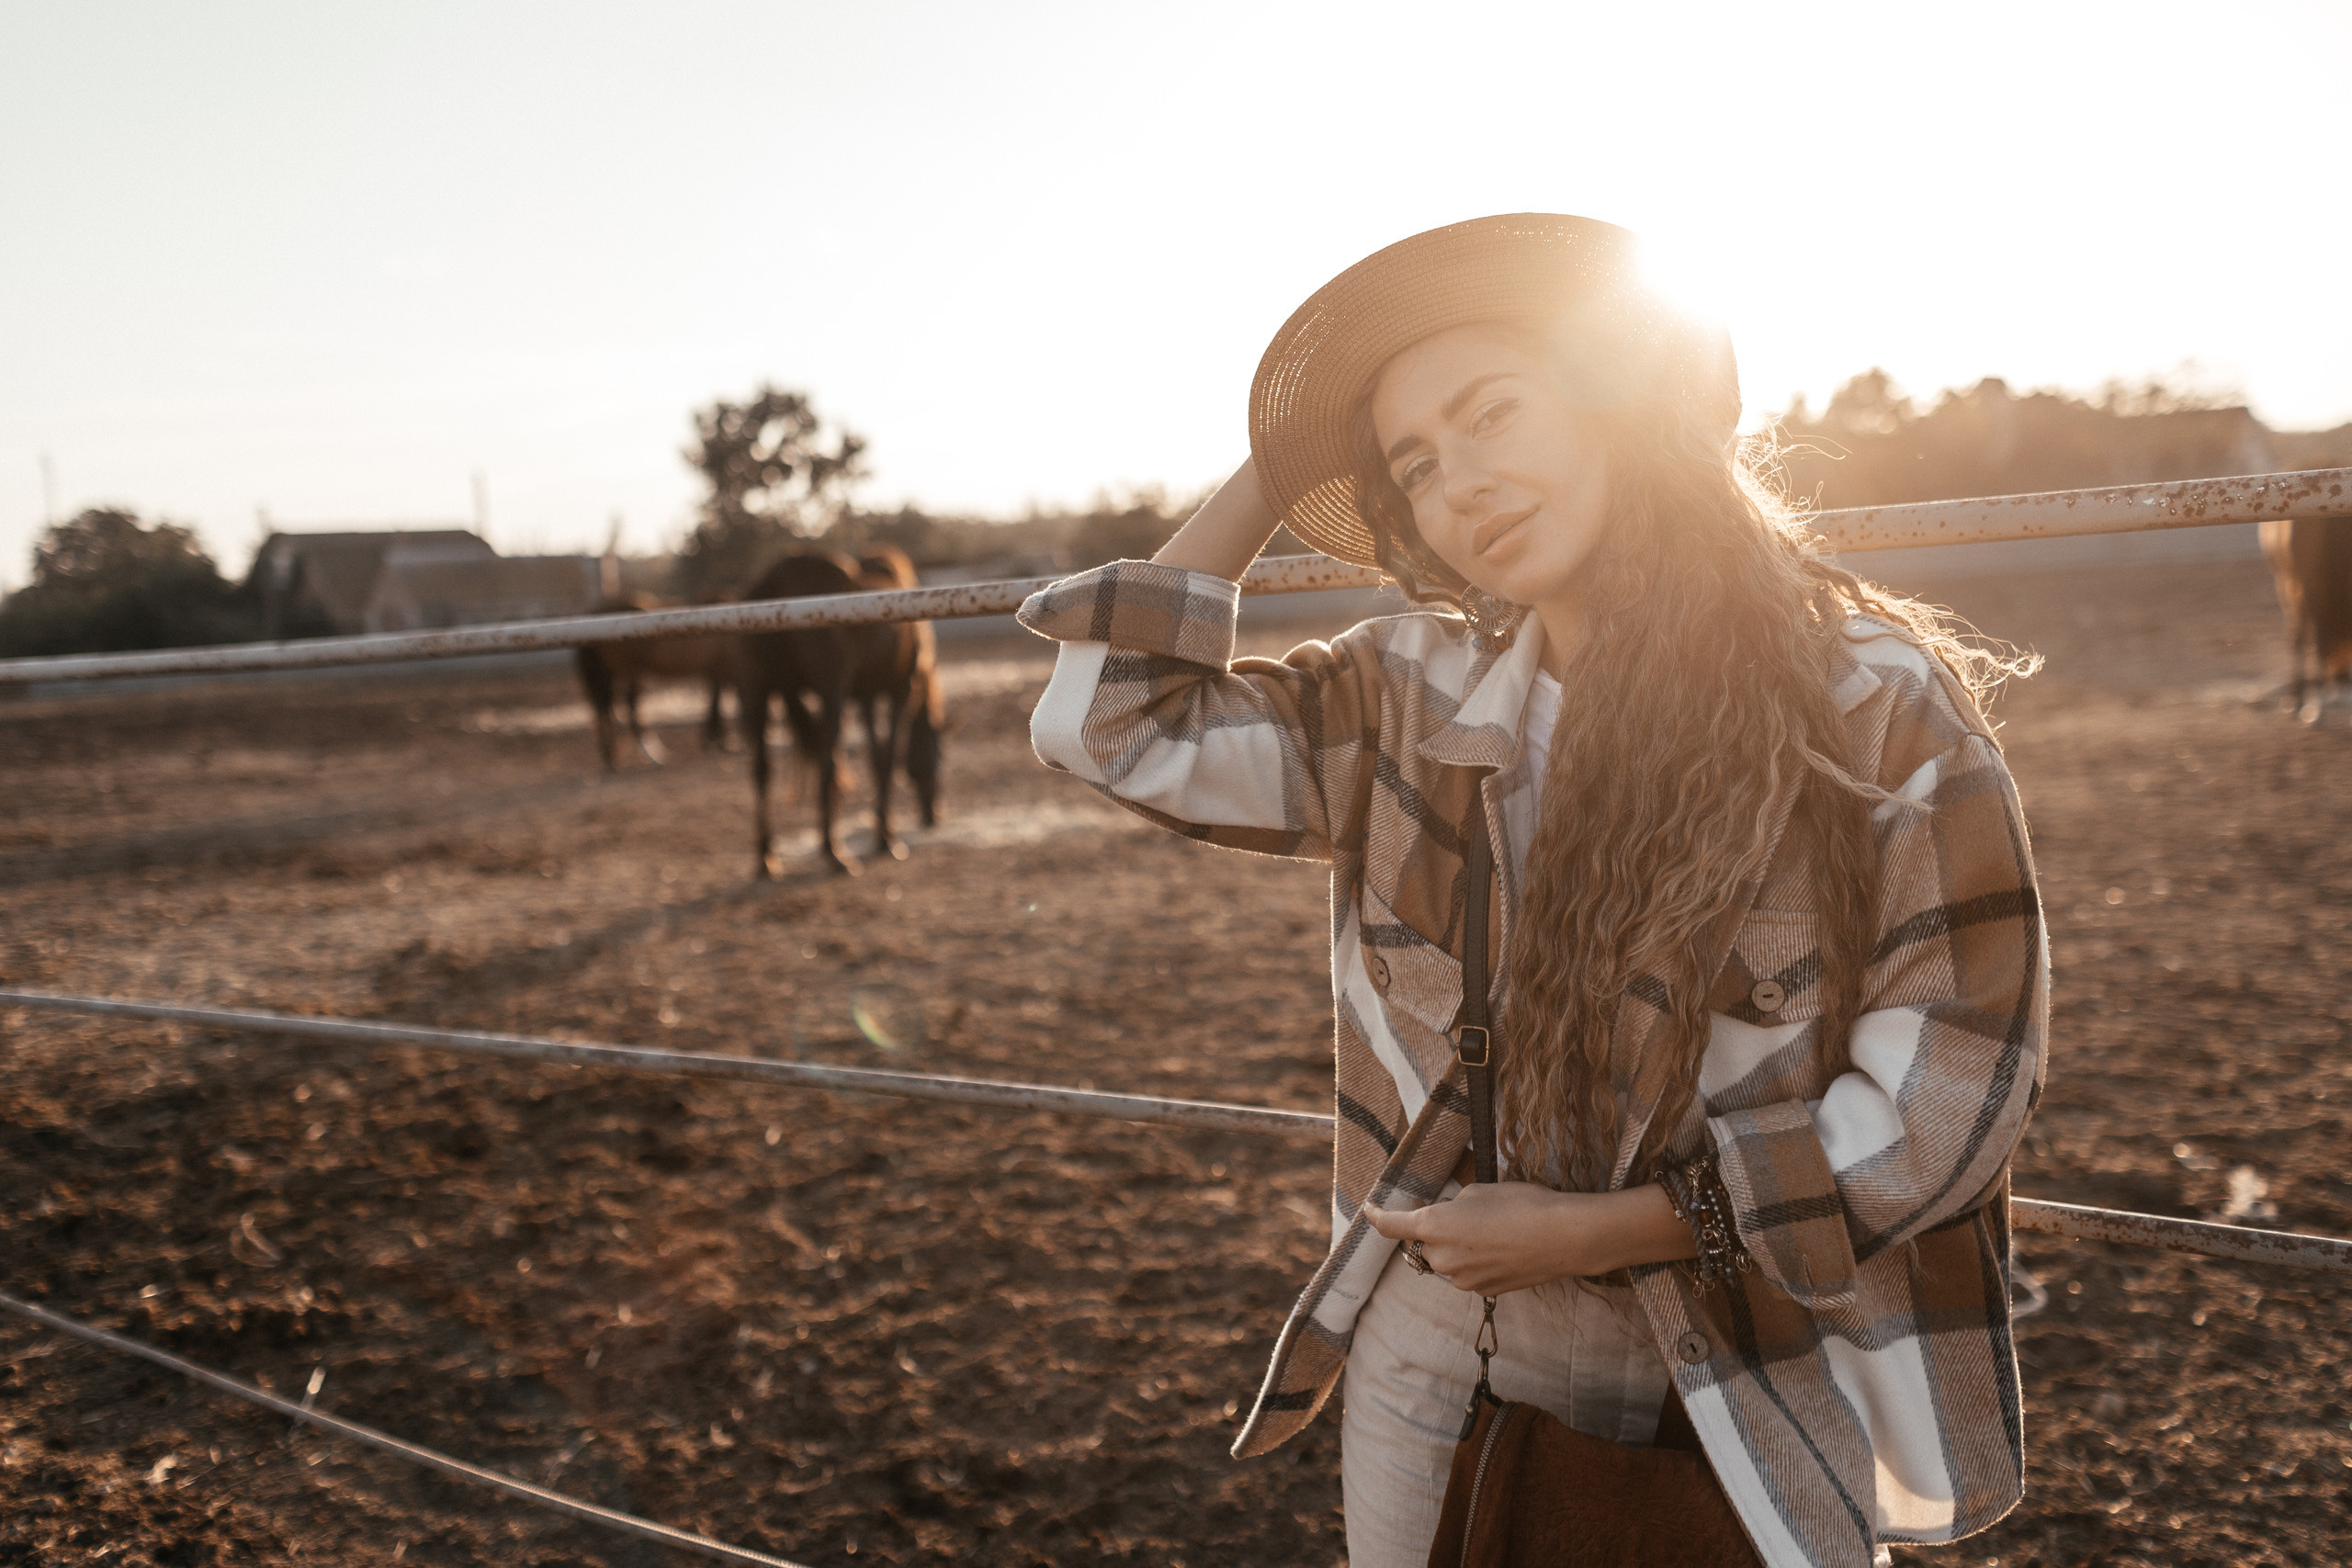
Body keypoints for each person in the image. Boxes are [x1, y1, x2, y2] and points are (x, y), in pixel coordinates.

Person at [1017, 214, 2046, 1568]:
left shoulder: (1873, 710)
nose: (1464, 484)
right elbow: (1114, 721)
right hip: (1436, 1344)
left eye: (1492, 413)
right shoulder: (1404, 701)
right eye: (1416, 467)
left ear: (1622, 401)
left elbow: (1952, 1090)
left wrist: (1607, 1232)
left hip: (1749, 1355)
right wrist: (1285, 466)